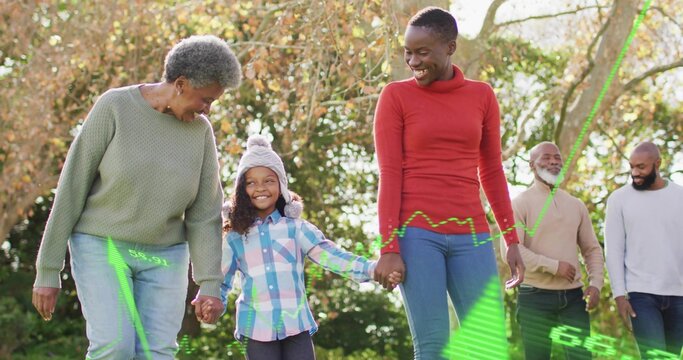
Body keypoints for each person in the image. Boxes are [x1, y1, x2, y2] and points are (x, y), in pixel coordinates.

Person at [32, 35, 242, 359]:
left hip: (165, 256)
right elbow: (72, 187)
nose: (207, 109)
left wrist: (210, 283)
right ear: (181, 84)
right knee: (114, 346)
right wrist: (48, 269)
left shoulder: (200, 133)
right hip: (103, 245)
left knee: (157, 352)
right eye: (205, 99)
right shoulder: (115, 107)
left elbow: (203, 215)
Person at [372, 6, 525, 359]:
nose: (413, 61)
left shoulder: (482, 95)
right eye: (408, 52)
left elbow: (491, 170)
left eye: (423, 52)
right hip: (416, 234)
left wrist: (511, 237)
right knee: (434, 346)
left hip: (472, 233)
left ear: (450, 48)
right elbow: (390, 173)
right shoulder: (395, 97)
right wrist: (388, 247)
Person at [215, 135, 401, 360]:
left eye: (269, 180)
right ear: (241, 189)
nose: (260, 188)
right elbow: (221, 279)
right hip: (256, 329)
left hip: (296, 326)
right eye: (251, 182)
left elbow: (332, 256)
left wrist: (372, 269)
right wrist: (212, 301)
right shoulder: (236, 236)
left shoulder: (296, 229)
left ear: (281, 185)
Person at [504, 142, 604, 360]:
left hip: (574, 298)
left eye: (557, 158)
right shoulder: (519, 204)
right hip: (534, 297)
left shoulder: (576, 205)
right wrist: (554, 267)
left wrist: (596, 284)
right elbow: (513, 252)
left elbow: (592, 249)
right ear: (531, 165)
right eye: (546, 157)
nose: (553, 162)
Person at [605, 141, 683, 358]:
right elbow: (614, 250)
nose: (635, 173)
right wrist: (619, 295)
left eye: (641, 167)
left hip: (679, 295)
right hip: (642, 295)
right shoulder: (619, 200)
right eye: (631, 167)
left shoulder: (680, 196)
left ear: (658, 164)